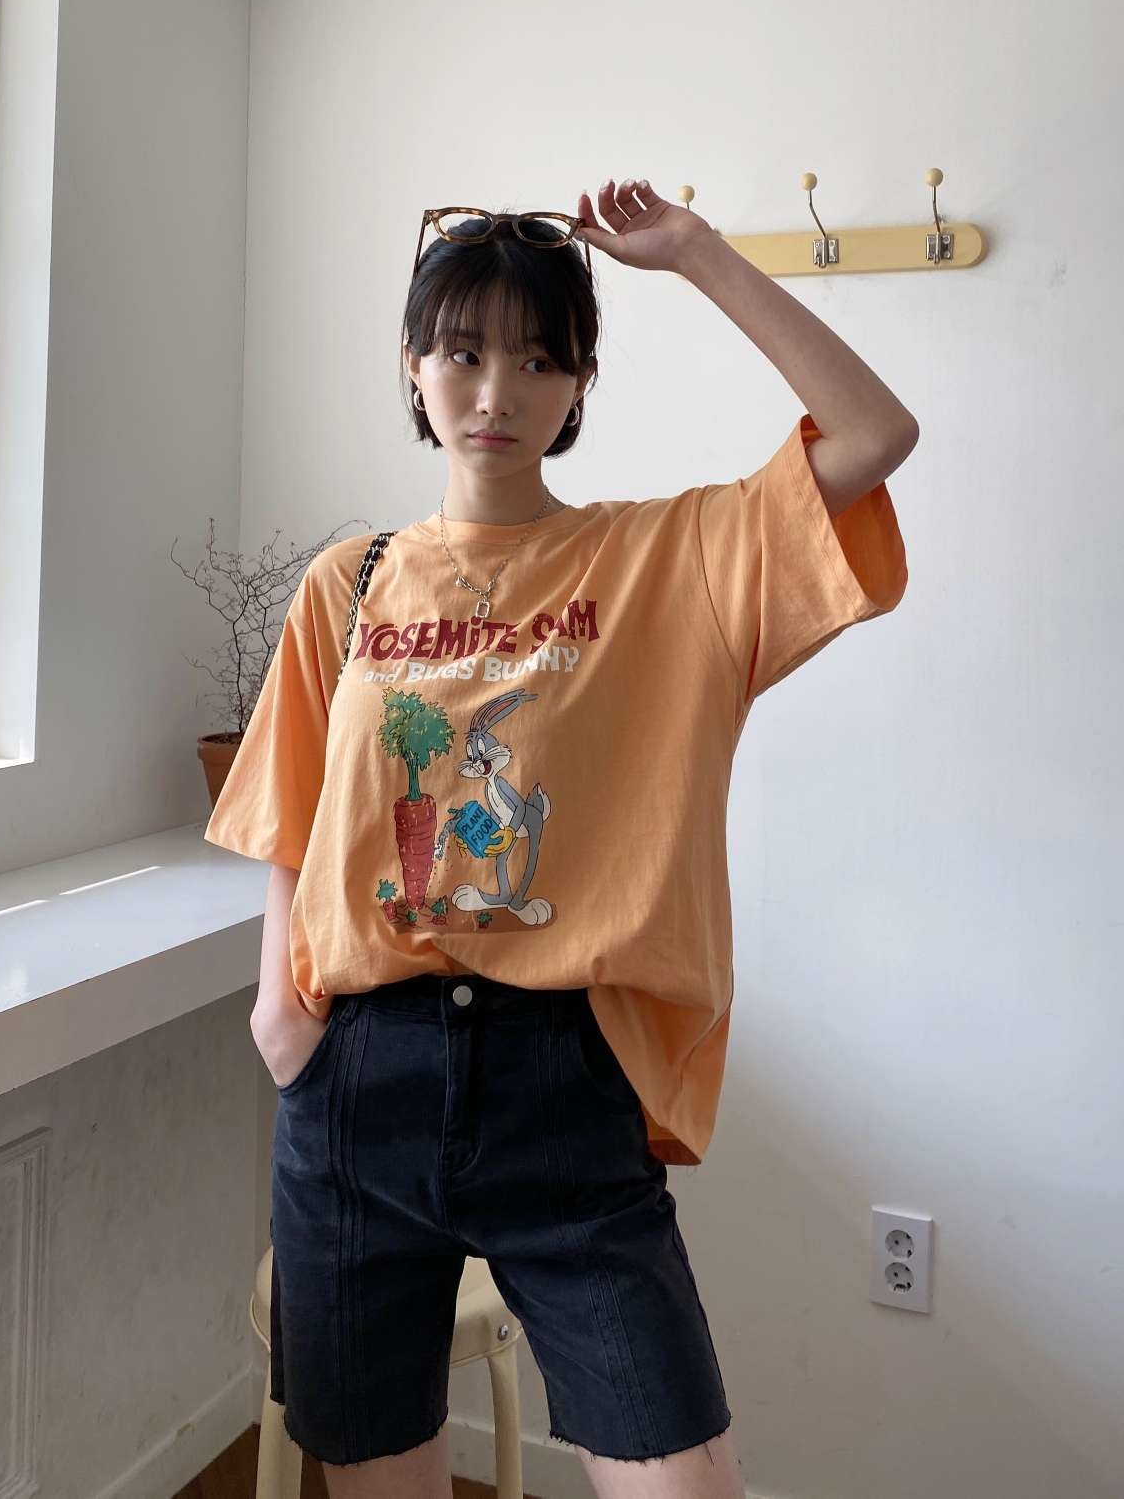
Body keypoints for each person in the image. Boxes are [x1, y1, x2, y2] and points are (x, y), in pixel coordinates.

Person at [204, 177, 916, 1499]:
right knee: (374, 1475)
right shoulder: (347, 584)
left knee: (680, 1473)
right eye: (464, 352)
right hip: (358, 1082)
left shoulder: (669, 561)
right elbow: (288, 816)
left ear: (580, 384)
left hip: (567, 1082)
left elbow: (875, 433)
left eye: (539, 359)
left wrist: (695, 253)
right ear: (413, 366)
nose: (498, 391)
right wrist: (278, 1014)